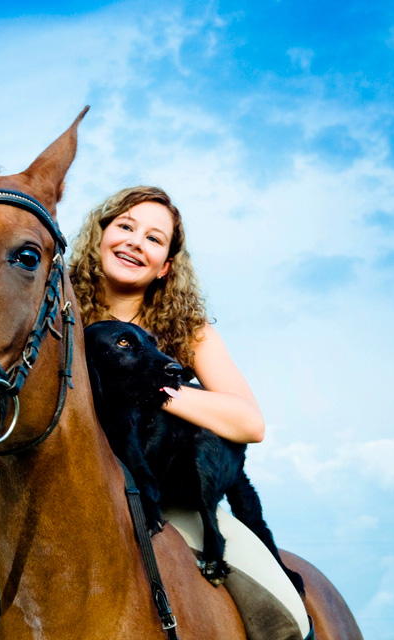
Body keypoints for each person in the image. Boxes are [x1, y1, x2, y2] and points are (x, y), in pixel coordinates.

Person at [69, 186, 313, 640]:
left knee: (286, 618)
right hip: (70, 504)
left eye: (154, 238)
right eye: (125, 226)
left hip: (173, 505)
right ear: (98, 237)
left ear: (165, 267)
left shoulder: (189, 332)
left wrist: (151, 387)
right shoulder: (56, 320)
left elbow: (250, 423)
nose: (135, 241)